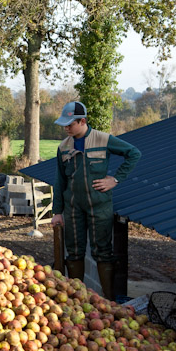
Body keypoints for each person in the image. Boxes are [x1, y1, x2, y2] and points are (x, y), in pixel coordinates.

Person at [50, 101, 141, 300]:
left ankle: (108, 300)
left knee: (103, 251)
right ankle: (77, 299)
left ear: (82, 121)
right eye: (64, 124)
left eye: (70, 124)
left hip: (100, 205)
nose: (66, 128)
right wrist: (57, 212)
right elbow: (60, 180)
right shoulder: (63, 147)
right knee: (74, 252)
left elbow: (134, 153)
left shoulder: (103, 139)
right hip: (72, 206)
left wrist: (115, 179)